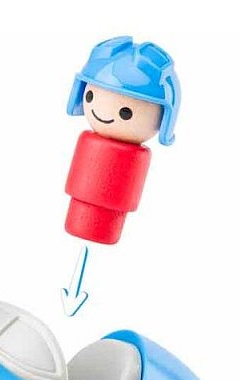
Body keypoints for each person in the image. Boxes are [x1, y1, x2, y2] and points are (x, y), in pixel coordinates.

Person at [65, 36, 181, 245]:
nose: (103, 111)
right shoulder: (90, 143)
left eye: (126, 112)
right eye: (91, 96)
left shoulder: (136, 157)